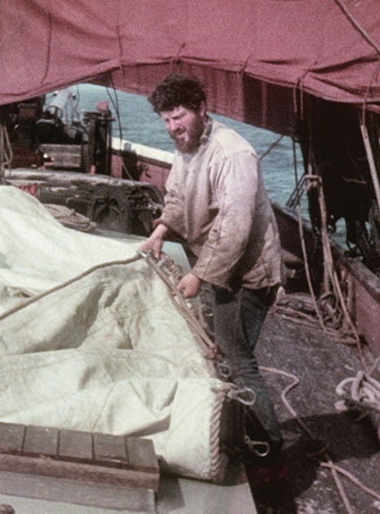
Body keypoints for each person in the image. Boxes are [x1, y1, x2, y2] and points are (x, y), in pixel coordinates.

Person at [136, 74, 287, 473]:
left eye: (179, 116)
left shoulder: (232, 154)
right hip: (217, 267)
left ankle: (272, 454)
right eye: (166, 120)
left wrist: (198, 277)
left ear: (201, 109)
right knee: (219, 352)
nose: (173, 127)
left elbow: (234, 230)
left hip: (248, 273)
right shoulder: (187, 147)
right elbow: (179, 195)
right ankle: (236, 434)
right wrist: (160, 232)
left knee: (237, 359)